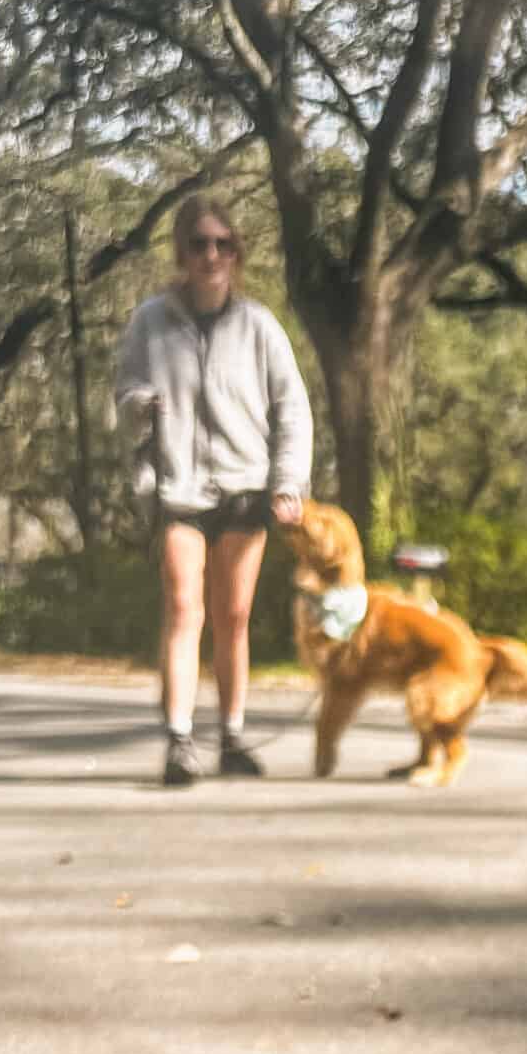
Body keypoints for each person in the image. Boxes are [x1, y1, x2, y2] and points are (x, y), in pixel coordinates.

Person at [114, 196, 314, 788]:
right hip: (178, 487)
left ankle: (231, 736)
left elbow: (292, 411)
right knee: (184, 608)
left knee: (233, 615)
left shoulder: (259, 325)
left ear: (236, 252)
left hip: (245, 485)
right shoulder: (150, 321)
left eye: (222, 244)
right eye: (199, 243)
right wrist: (140, 407)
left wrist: (288, 484)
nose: (211, 254)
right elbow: (122, 393)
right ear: (181, 251)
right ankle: (179, 741)